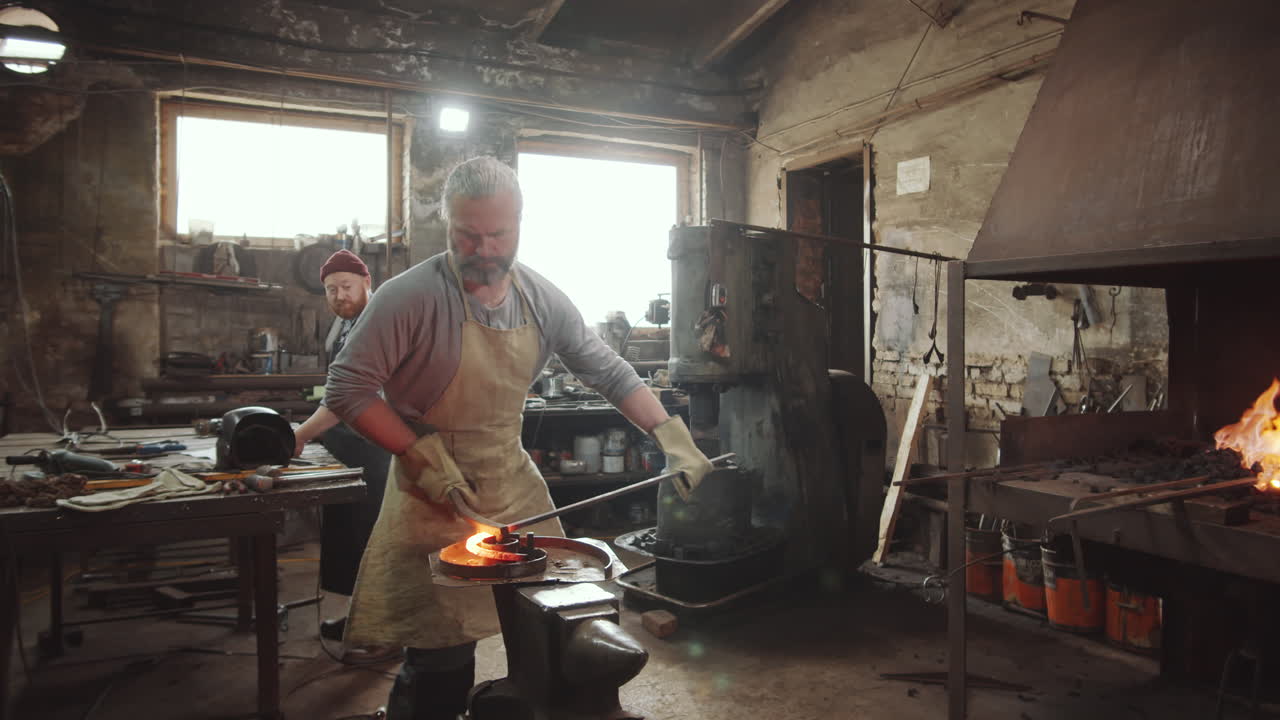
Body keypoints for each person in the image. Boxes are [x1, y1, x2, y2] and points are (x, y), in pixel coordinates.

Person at [324, 156, 713, 720]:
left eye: (498, 234)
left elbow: (608, 371)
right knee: (441, 652)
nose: (483, 249)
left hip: (510, 487)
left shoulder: (541, 298)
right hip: (429, 489)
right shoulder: (409, 297)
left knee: (553, 629)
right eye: (467, 235)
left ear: (521, 224)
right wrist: (417, 453)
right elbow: (347, 389)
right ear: (447, 225)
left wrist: (670, 433)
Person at [292, 249, 391, 643]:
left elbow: (348, 395)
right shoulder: (343, 325)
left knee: (374, 540)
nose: (338, 295)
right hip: (348, 443)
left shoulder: (380, 321)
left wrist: (300, 434)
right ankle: (360, 620)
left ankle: (383, 632)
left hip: (377, 447)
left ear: (367, 283)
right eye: (331, 289)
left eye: (346, 286)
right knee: (346, 534)